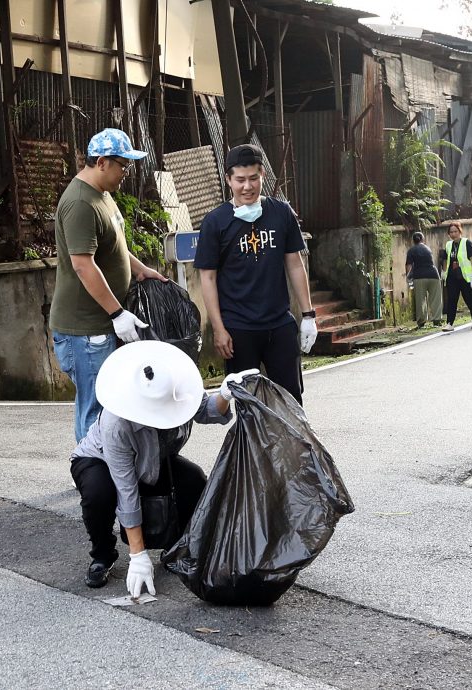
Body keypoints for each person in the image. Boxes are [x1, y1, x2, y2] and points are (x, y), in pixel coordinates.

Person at [68, 340, 248, 597]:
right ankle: (102, 554)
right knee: (100, 493)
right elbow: (126, 489)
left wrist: (225, 394)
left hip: (151, 459)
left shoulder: (178, 389)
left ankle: (177, 547)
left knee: (193, 480)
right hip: (100, 461)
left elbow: (208, 410)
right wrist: (138, 555)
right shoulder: (116, 423)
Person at [49, 129, 168, 442]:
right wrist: (117, 314)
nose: (126, 174)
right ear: (101, 162)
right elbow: (82, 264)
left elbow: (113, 246)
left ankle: (108, 475)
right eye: (123, 166)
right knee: (96, 408)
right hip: (85, 329)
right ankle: (93, 479)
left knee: (112, 403)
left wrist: (141, 270)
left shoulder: (102, 195)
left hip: (101, 324)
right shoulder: (79, 203)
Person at [193, 144, 316, 405]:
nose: (247, 187)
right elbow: (208, 277)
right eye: (240, 180)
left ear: (262, 175)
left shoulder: (281, 213)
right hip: (239, 329)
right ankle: (254, 447)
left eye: (253, 179)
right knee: (248, 403)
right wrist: (219, 329)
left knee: (291, 400)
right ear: (228, 180)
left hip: (279, 324)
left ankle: (293, 446)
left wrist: (308, 315)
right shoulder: (215, 222)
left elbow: (294, 263)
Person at [437, 220, 472, 332]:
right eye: (451, 232)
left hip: (465, 276)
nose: (453, 234)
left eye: (455, 231)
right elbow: (446, 259)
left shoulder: (466, 243)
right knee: (452, 299)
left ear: (460, 231)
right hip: (452, 276)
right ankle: (450, 323)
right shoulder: (448, 244)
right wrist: (444, 271)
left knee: (470, 298)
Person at [404, 231, 443, 328]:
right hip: (433, 275)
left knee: (421, 300)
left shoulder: (411, 250)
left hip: (419, 277)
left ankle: (421, 322)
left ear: (413, 240)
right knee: (435, 299)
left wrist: (409, 279)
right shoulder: (428, 249)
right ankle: (437, 320)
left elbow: (409, 266)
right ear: (422, 239)